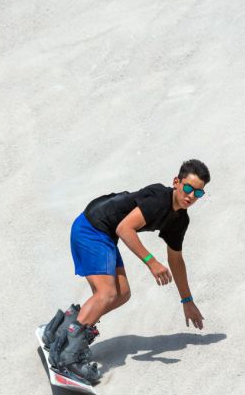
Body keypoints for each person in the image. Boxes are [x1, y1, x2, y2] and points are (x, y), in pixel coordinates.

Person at [43, 159, 211, 383]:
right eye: (188, 188)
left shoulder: (179, 219)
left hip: (104, 234)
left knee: (122, 293)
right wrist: (151, 262)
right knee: (107, 293)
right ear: (177, 182)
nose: (190, 196)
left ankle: (60, 330)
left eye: (198, 193)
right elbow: (125, 228)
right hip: (91, 228)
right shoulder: (160, 200)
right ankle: (67, 358)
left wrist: (187, 300)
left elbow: (176, 260)